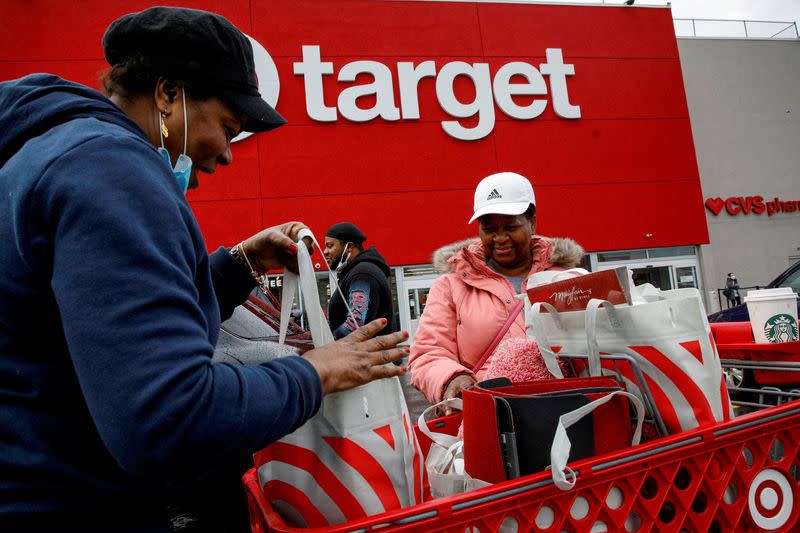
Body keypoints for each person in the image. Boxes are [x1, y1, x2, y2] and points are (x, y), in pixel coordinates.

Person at [0, 7, 407, 531]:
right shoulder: (113, 171)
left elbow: (95, 329)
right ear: (169, 93)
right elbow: (168, 418)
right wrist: (318, 371)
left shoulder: (50, 153)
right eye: (228, 127)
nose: (229, 155)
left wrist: (236, 267)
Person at [408, 172, 584, 405]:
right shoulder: (451, 286)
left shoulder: (566, 280)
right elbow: (428, 353)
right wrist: (452, 378)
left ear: (532, 223)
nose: (500, 238)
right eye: (490, 229)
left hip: (569, 403)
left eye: (510, 227)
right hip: (491, 410)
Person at [323, 222, 397, 339]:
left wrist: (328, 342)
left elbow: (355, 324)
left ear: (349, 247)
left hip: (368, 356)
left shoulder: (362, 274)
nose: (325, 251)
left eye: (330, 246)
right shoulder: (355, 272)